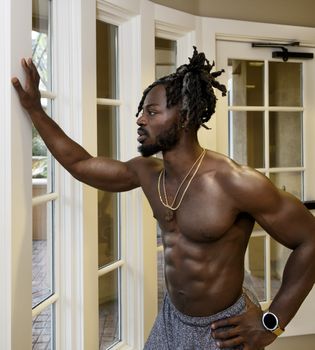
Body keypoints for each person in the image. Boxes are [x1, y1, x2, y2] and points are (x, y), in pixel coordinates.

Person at [12, 47, 315, 350]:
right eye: (143, 111)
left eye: (152, 112)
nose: (140, 119)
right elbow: (80, 164)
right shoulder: (147, 173)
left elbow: (310, 241)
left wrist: (271, 323)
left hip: (225, 328)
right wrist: (35, 110)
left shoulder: (235, 182)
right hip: (172, 319)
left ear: (184, 118)